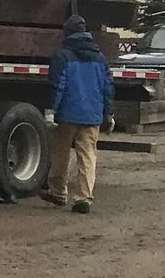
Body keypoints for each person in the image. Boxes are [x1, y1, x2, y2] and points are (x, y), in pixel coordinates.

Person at [43, 15, 113, 214]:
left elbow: (58, 86)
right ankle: (84, 197)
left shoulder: (62, 57)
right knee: (88, 156)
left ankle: (58, 192)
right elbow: (107, 87)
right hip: (92, 115)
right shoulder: (100, 58)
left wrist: (50, 110)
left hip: (67, 114)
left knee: (61, 153)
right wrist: (109, 113)